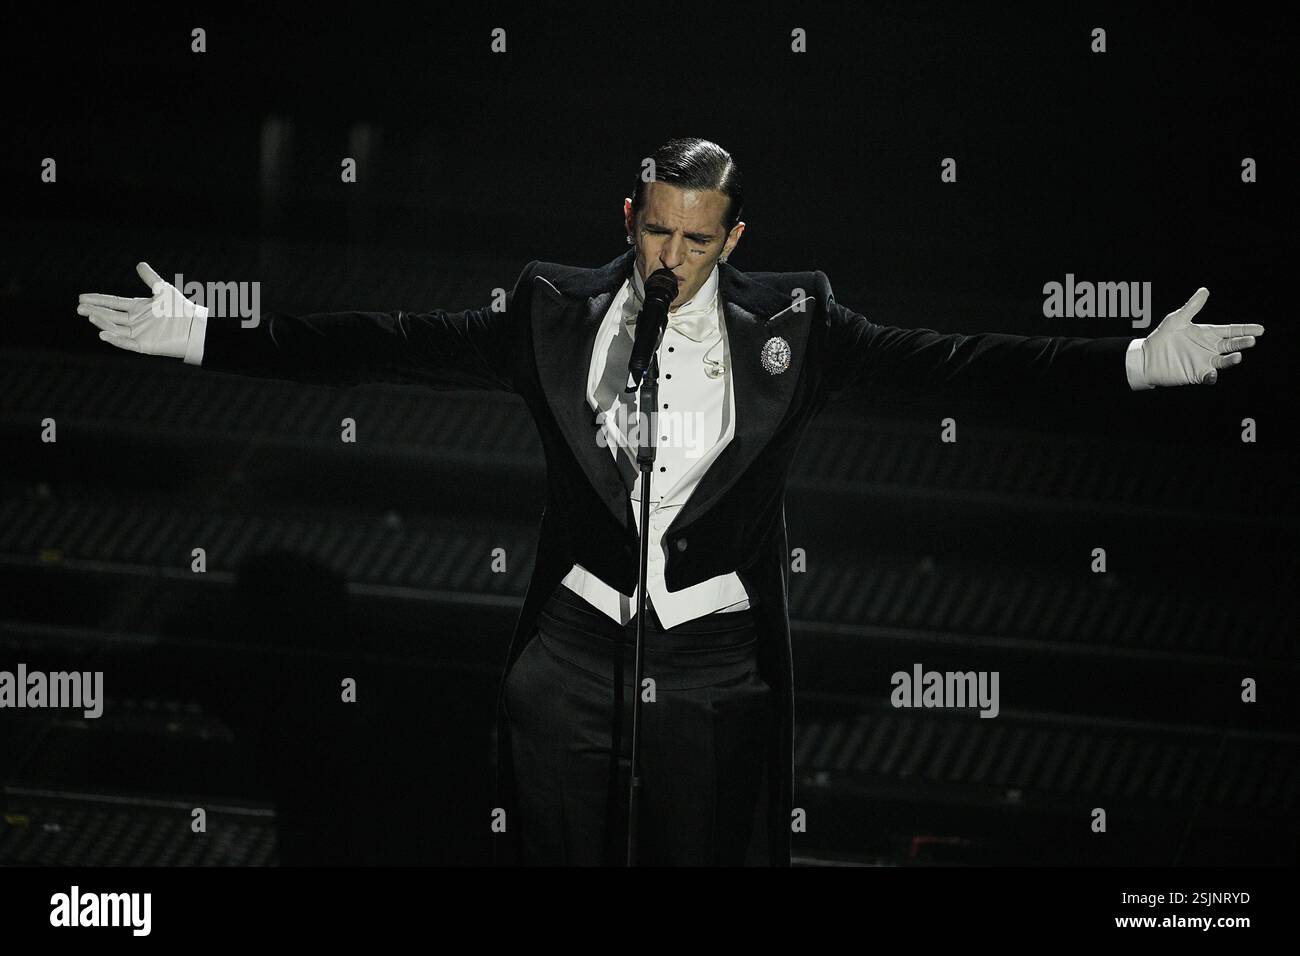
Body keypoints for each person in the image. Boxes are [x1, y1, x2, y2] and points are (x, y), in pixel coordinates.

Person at [77, 137, 1264, 866]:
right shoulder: (550, 309)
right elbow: (378, 342)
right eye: (657, 231)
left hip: (711, 657)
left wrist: (1126, 360)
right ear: (628, 219)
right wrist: (206, 335)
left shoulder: (797, 321)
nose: (673, 257)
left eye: (698, 239)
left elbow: (951, 365)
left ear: (731, 235)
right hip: (573, 645)